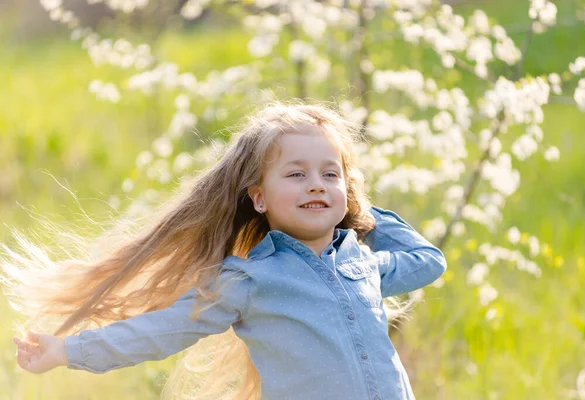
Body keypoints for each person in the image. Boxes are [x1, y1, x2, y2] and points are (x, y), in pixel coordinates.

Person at [6, 102, 446, 400]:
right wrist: (68, 351)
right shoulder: (248, 281)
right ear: (259, 198)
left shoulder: (363, 265)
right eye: (295, 174)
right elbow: (164, 329)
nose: (316, 183)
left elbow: (429, 261)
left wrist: (363, 207)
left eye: (330, 174)